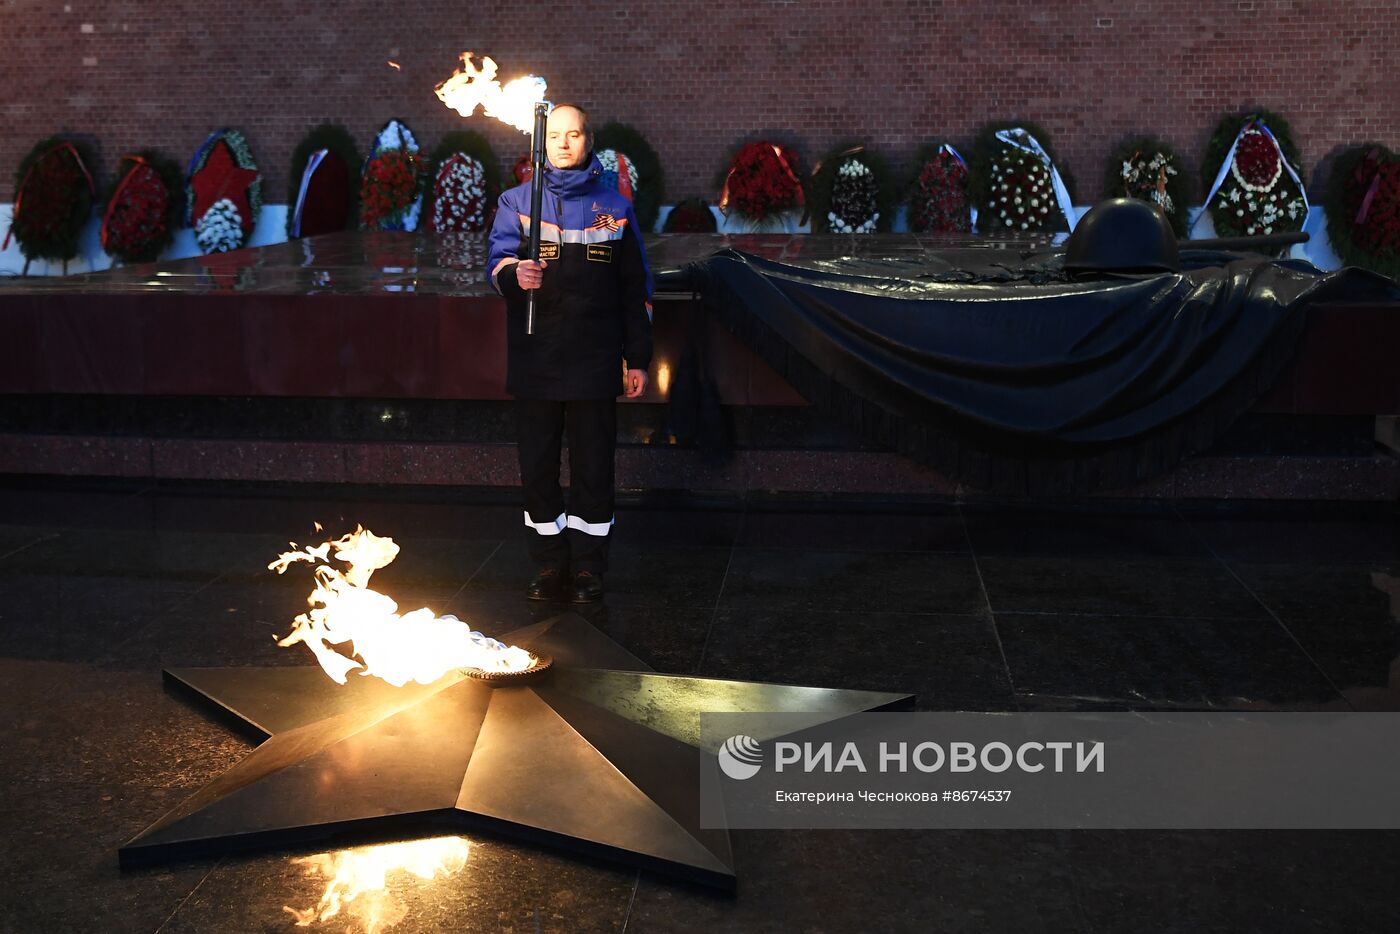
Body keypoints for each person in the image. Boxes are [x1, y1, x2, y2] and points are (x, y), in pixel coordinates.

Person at [486, 103, 653, 603]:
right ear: (541, 142)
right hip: (536, 356)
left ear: (588, 141)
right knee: (538, 467)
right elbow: (497, 262)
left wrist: (637, 358)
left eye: (573, 134)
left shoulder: (614, 208)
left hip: (594, 359)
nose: (562, 142)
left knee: (593, 468)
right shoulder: (517, 201)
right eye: (554, 134)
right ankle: (548, 564)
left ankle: (587, 567)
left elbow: (634, 288)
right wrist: (516, 274)